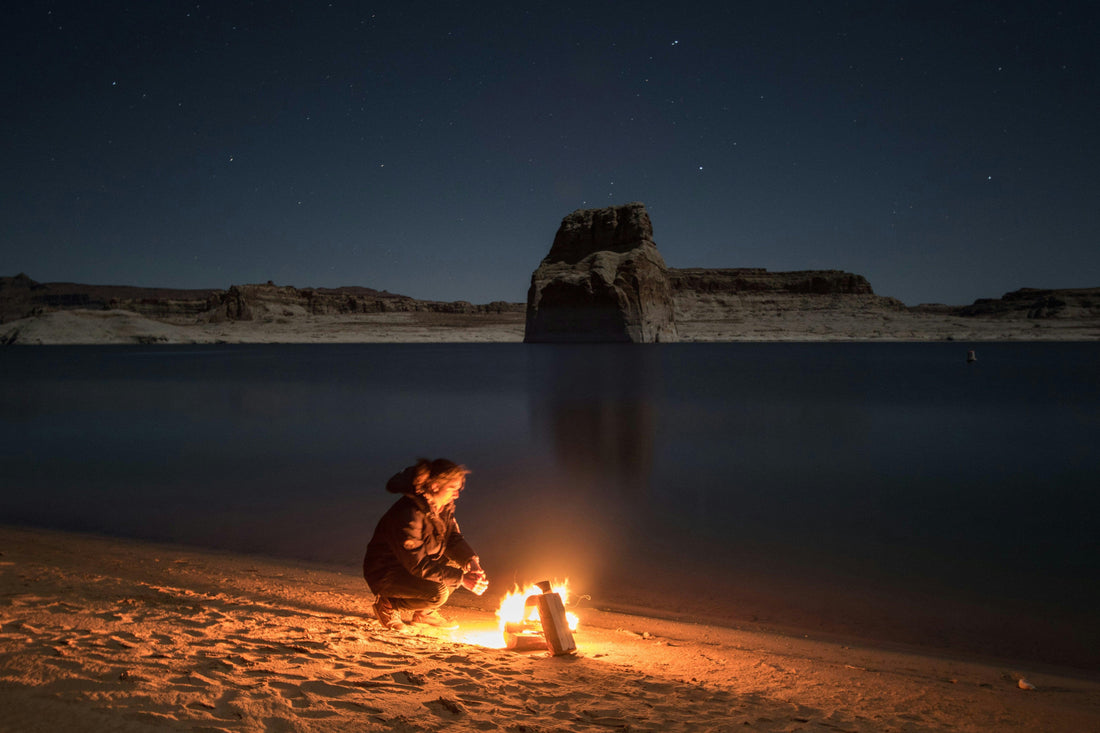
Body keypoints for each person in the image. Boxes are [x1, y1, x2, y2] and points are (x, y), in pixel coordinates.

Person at [363, 458, 489, 631]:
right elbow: (419, 565)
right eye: (452, 488)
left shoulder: (442, 507)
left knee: (459, 564)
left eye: (458, 488)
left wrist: (471, 562)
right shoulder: (409, 514)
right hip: (386, 571)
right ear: (435, 486)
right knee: (438, 592)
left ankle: (424, 613)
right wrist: (462, 579)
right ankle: (389, 603)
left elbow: (452, 537)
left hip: (411, 566)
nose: (457, 494)